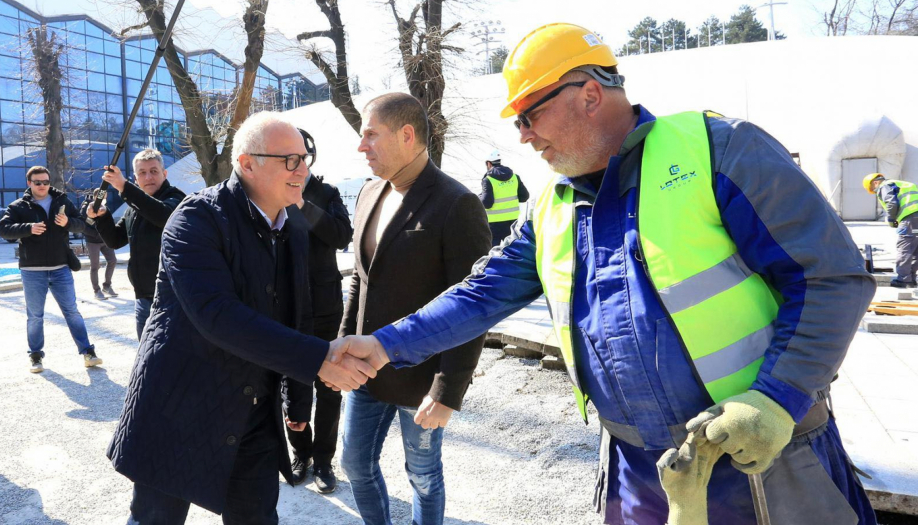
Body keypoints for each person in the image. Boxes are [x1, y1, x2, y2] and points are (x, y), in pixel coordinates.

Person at [331, 24, 878, 525]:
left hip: (762, 458)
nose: (522, 135)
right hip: (641, 475)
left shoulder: (718, 151)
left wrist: (778, 398)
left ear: (589, 95)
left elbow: (829, 277)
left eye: (529, 115)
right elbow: (479, 297)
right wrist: (385, 345)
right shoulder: (551, 207)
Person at [106, 112, 377, 524]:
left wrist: (298, 405)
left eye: (304, 158)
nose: (303, 169)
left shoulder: (292, 226)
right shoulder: (195, 218)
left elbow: (296, 318)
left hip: (253, 412)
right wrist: (318, 358)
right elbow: (216, 315)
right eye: (290, 160)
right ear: (247, 163)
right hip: (181, 406)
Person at [339, 92, 491, 525]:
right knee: (353, 465)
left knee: (422, 475)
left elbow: (473, 308)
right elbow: (360, 280)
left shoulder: (456, 204)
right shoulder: (368, 193)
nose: (361, 145)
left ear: (407, 135)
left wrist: (447, 392)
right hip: (365, 368)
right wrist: (343, 343)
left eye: (371, 134)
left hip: (421, 379)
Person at [282, 169, 353, 494]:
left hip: (325, 304)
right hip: (287, 303)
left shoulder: (327, 192)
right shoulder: (271, 191)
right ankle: (301, 454)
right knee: (292, 380)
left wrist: (303, 204)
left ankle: (324, 460)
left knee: (329, 386)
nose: (293, 166)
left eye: (299, 157)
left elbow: (342, 236)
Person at [0, 166, 101, 374]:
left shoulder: (62, 201)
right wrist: (28, 228)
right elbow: (3, 229)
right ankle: (35, 355)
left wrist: (68, 223)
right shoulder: (18, 206)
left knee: (72, 311)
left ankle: (88, 352)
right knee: (35, 315)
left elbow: (82, 225)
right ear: (29, 183)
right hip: (32, 270)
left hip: (61, 268)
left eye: (45, 182)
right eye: (38, 182)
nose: (42, 186)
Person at [85, 148, 186, 339]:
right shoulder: (134, 207)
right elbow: (115, 240)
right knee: (146, 355)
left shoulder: (176, 199)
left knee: (174, 356)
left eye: (154, 171)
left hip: (172, 297)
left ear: (164, 174)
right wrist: (102, 216)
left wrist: (124, 187)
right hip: (143, 295)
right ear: (136, 177)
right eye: (142, 173)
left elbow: (162, 215)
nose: (148, 177)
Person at [863, 173, 918, 288]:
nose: (875, 191)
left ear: (875, 182)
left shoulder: (884, 185)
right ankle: (911, 278)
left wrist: (891, 219)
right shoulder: (904, 185)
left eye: (873, 189)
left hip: (909, 218)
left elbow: (891, 203)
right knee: (915, 248)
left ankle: (904, 280)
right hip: (915, 218)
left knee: (905, 247)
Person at [478, 149, 529, 245]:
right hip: (513, 222)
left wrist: (478, 197)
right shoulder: (515, 177)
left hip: (494, 224)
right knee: (512, 250)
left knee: (492, 253)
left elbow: (487, 203)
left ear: (489, 164)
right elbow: (524, 197)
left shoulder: (488, 180)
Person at [80, 192, 117, 300]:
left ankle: (107, 285)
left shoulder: (103, 207)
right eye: (102, 196)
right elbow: (84, 225)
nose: (105, 198)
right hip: (92, 241)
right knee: (95, 266)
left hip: (105, 240)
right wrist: (97, 233)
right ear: (96, 196)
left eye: (106, 196)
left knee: (112, 260)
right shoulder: (87, 207)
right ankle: (97, 290)